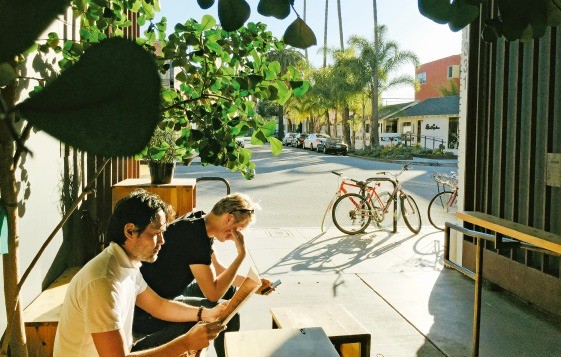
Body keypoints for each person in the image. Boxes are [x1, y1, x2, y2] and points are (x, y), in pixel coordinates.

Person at [53, 189, 227, 357]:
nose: (162, 241)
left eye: (163, 233)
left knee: (196, 326)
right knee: (189, 338)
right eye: (156, 233)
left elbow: (159, 306)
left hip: (128, 349)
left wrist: (205, 313)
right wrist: (186, 343)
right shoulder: (103, 281)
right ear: (130, 231)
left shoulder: (126, 263)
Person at [134, 193, 274, 357]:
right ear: (229, 219)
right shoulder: (195, 237)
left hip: (166, 294)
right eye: (238, 229)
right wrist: (241, 255)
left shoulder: (199, 222)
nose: (235, 236)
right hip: (148, 315)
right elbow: (213, 293)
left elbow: (219, 272)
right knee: (227, 311)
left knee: (229, 292)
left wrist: (253, 285)